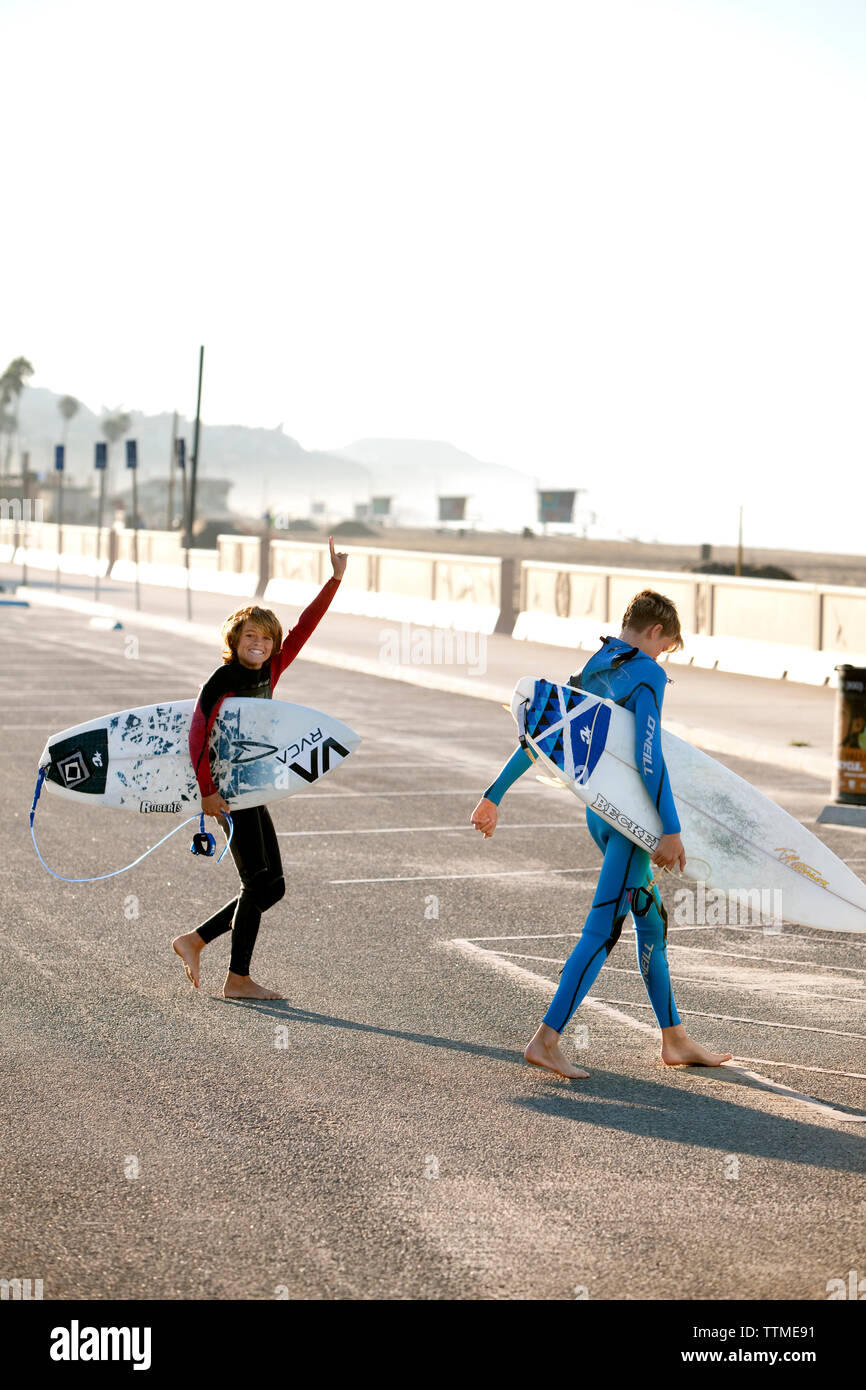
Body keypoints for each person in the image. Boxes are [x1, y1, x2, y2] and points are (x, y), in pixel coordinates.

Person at [470, 589, 732, 1079]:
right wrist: (670, 830)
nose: (662, 660)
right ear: (656, 632)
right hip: (630, 822)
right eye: (666, 648)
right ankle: (546, 1040)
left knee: (650, 920)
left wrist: (494, 795)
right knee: (603, 928)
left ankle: (675, 1040)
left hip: (599, 812)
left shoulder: (597, 663)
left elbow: (548, 731)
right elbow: (647, 756)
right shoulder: (648, 673)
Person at [172, 536, 347, 1000]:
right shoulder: (221, 679)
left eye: (267, 638)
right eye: (250, 635)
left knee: (274, 886)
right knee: (256, 882)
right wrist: (206, 793)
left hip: (254, 788)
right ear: (234, 640)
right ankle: (238, 979)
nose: (259, 643)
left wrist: (334, 580)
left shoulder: (271, 670)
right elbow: (197, 735)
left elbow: (305, 627)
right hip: (228, 791)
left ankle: (194, 940)